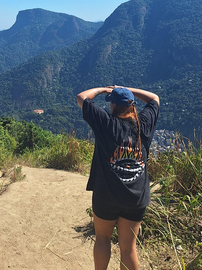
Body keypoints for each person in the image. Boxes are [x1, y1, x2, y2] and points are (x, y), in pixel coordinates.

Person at [76, 85, 160, 270]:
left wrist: (104, 90)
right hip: (135, 198)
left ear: (113, 105)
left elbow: (82, 97)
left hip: (107, 195)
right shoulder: (143, 124)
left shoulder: (106, 123)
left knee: (103, 239)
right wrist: (128, 91)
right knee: (129, 248)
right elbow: (154, 98)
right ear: (132, 106)